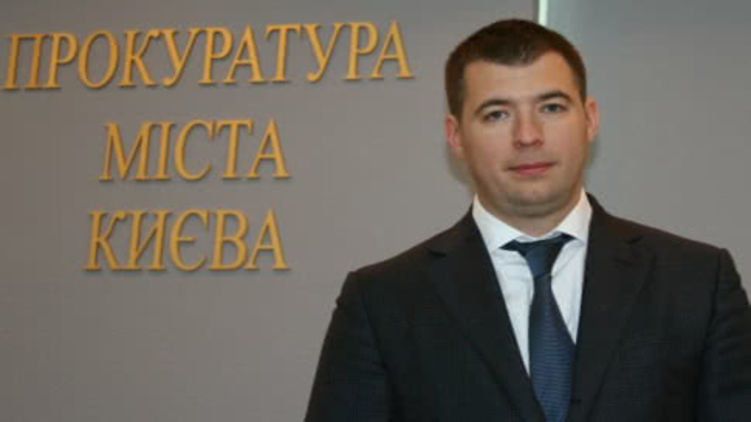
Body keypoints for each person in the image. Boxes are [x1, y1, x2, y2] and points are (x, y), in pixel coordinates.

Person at [305, 19, 751, 422]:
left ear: (589, 119)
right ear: (455, 136)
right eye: (497, 114)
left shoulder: (697, 283)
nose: (528, 136)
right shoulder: (382, 302)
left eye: (551, 107)